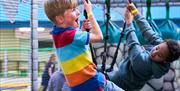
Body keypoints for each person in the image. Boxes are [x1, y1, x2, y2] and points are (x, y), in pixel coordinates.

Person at [44, 0, 124, 91]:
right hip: (94, 83)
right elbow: (99, 36)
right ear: (60, 19)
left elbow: (76, 46)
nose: (78, 12)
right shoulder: (71, 35)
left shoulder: (57, 34)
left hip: (79, 87)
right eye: (73, 10)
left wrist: (82, 30)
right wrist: (90, 12)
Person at [108, 3, 180, 91]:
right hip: (119, 72)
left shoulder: (144, 64)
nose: (154, 52)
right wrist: (135, 12)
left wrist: (129, 23)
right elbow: (148, 31)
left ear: (165, 61)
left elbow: (133, 43)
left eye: (159, 55)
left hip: (120, 82)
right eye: (157, 48)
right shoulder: (163, 48)